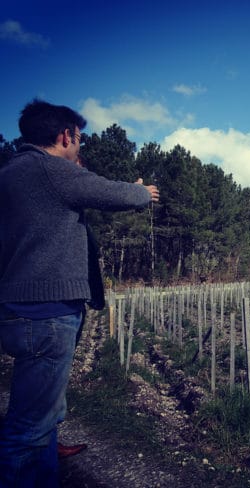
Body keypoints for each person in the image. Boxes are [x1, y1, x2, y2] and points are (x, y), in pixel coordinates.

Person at [0, 99, 159, 487]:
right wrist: (143, 191)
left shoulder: (9, 172)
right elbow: (118, 195)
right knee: (27, 428)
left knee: (38, 405)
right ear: (64, 135)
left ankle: (47, 460)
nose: (80, 147)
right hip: (47, 312)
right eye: (79, 139)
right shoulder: (49, 169)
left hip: (15, 307)